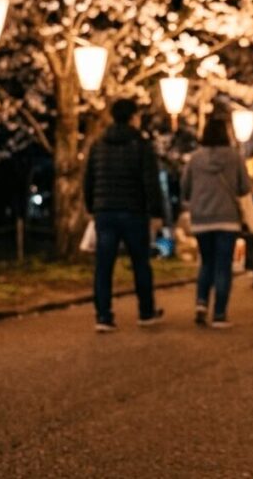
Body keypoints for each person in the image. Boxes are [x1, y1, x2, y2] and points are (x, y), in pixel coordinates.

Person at [83, 99, 165, 333]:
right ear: (132, 117)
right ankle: (146, 311)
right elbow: (150, 181)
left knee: (103, 265)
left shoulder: (98, 144)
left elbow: (88, 179)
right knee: (140, 263)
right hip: (133, 212)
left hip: (105, 212)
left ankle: (103, 315)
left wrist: (91, 207)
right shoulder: (140, 144)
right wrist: (156, 212)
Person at [182, 116, 251, 329]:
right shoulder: (235, 158)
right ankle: (219, 314)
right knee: (223, 265)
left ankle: (201, 304)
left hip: (202, 219)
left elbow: (185, 188)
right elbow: (244, 187)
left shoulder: (194, 159)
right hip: (227, 219)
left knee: (207, 263)